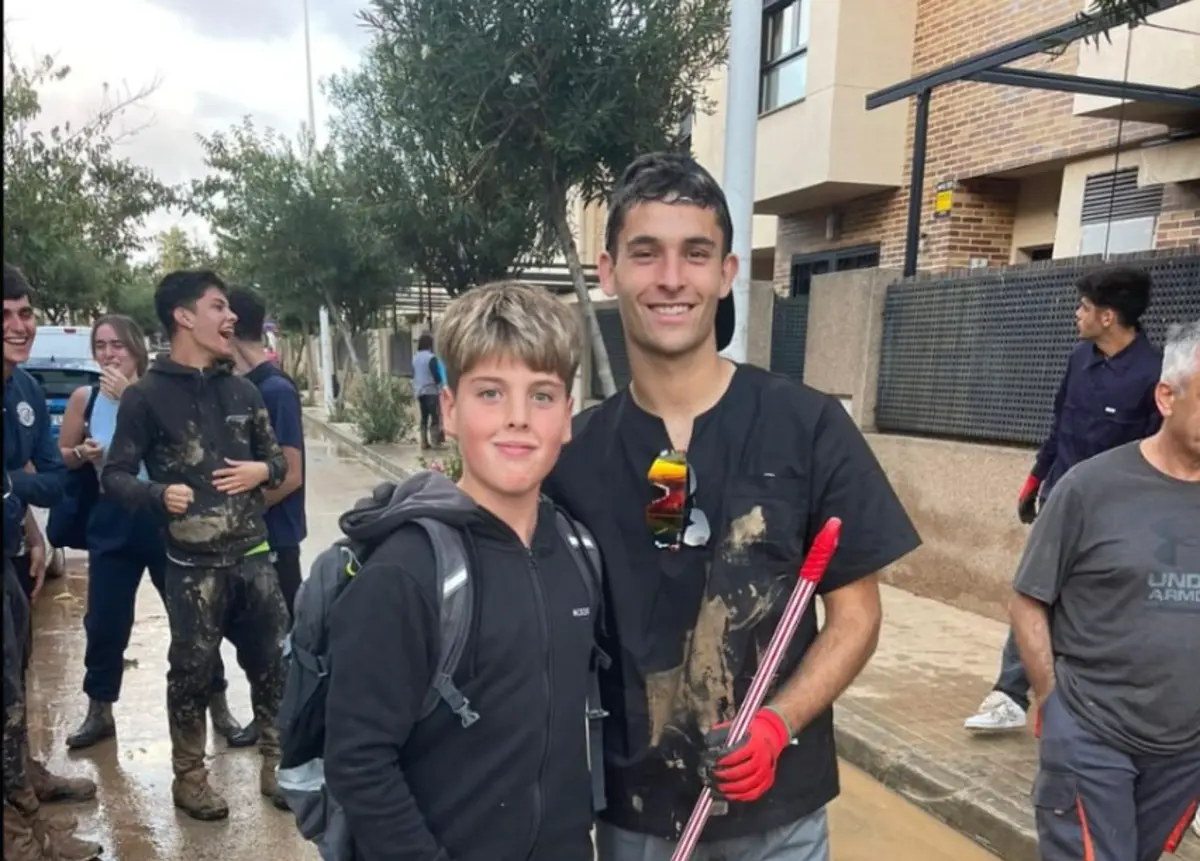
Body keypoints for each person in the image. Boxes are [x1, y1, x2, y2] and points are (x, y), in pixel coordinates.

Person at [543, 153, 922, 861]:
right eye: (646, 253)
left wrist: (780, 722)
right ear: (609, 271)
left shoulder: (807, 426)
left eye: (695, 253)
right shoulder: (571, 455)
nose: (671, 277)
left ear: (726, 273)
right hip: (632, 817)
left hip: (776, 817)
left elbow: (857, 615)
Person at [324, 281, 599, 861]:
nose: (518, 419)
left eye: (542, 396)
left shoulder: (577, 551)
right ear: (449, 410)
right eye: (490, 393)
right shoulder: (407, 571)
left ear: (567, 418)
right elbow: (358, 762)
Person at [101, 269, 291, 821]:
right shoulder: (145, 396)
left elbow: (277, 462)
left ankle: (278, 764)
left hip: (254, 557)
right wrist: (158, 494)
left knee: (275, 665)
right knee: (191, 674)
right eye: (218, 307)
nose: (230, 317)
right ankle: (190, 779)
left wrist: (262, 470)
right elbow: (114, 476)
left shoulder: (244, 390)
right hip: (192, 567)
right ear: (184, 317)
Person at [1010, 320, 1200, 861]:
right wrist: (1052, 702)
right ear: (1166, 397)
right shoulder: (1090, 488)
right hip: (1092, 732)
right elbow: (1028, 598)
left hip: (1183, 751)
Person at [965, 265, 1163, 734]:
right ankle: (1010, 696)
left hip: (1118, 516)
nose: (1077, 313)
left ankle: (1083, 705)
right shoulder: (1079, 359)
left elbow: (1158, 453)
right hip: (1060, 499)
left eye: (1085, 307)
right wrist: (1036, 478)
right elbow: (1060, 423)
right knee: (1033, 593)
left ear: (1108, 316)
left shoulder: (1154, 374)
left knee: (1097, 609)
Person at [61, 314, 252, 750]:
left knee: (193, 617)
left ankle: (218, 705)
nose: (109, 354)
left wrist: (130, 398)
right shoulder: (85, 398)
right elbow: (64, 455)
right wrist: (82, 452)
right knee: (105, 620)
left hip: (164, 514)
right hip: (112, 519)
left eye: (117, 345)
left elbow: (185, 450)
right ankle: (99, 710)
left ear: (136, 349)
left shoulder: (155, 393)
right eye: (101, 346)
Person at [4, 263, 102, 860]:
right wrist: (20, 483)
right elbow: (32, 477)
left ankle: (23, 786)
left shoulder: (25, 389)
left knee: (15, 679)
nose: (18, 326)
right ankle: (18, 835)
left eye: (24, 313)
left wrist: (30, 527)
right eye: (4, 316)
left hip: (11, 551)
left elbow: (51, 479)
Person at [227, 287, 307, 620]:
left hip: (275, 541)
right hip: (248, 543)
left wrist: (233, 516)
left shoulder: (275, 390)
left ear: (229, 327)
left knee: (285, 639)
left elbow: (291, 475)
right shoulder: (239, 386)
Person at [412, 331, 444, 450]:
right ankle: (435, 442)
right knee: (435, 416)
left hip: (420, 392)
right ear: (430, 344)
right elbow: (436, 376)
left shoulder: (415, 358)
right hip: (431, 391)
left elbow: (414, 374)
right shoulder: (431, 358)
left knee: (424, 417)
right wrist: (440, 384)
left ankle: (423, 442)